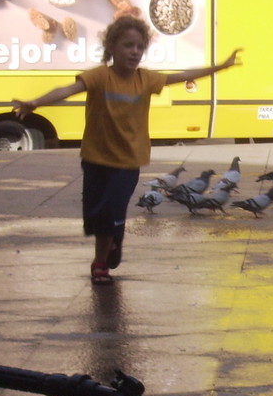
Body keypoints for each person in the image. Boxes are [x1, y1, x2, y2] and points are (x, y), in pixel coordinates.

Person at [13, 15, 242, 284]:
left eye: (139, 47)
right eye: (127, 45)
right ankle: (114, 238)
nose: (134, 52)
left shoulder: (145, 80)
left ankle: (100, 263)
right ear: (112, 47)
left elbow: (182, 76)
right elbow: (68, 89)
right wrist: (35, 102)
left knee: (112, 210)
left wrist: (220, 67)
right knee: (96, 214)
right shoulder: (100, 76)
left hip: (128, 160)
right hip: (96, 158)